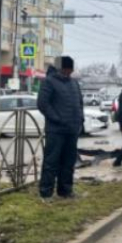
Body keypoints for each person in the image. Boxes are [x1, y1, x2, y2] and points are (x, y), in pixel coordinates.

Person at [37, 56, 83, 199]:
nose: (70, 71)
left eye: (71, 69)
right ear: (61, 68)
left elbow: (79, 103)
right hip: (56, 130)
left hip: (72, 130)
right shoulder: (48, 82)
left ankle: (65, 191)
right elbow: (43, 104)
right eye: (68, 69)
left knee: (68, 162)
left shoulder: (74, 83)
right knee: (51, 162)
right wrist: (58, 119)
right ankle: (46, 193)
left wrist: (80, 120)